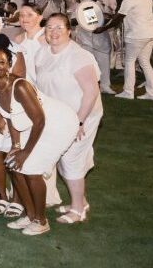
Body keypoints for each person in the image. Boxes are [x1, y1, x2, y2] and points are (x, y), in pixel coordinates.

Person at [0, 35, 77, 236]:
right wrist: (15, 146)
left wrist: (26, 151)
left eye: (1, 62)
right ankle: (30, 214)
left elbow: (40, 120)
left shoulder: (20, 86)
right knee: (13, 165)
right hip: (31, 125)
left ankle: (41, 220)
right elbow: (9, 117)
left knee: (31, 169)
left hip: (57, 123)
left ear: (9, 64)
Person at [35, 13, 103, 224]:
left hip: (82, 114)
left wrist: (79, 122)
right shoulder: (43, 52)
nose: (54, 32)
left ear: (69, 31)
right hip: (58, 115)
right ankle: (80, 201)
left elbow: (91, 92)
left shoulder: (78, 56)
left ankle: (77, 210)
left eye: (59, 28)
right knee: (63, 158)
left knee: (71, 158)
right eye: (49, 28)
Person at [96, 0, 153, 100]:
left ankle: (128, 92)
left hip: (136, 35)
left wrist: (103, 28)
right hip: (149, 34)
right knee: (145, 62)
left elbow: (118, 17)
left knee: (129, 61)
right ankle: (152, 93)